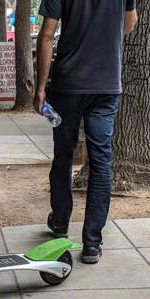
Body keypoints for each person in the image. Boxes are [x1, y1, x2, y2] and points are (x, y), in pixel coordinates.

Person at [34, 0, 138, 264]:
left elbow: (46, 35)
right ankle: (92, 243)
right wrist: (104, 39)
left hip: (65, 88)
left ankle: (60, 221)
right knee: (101, 161)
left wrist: (40, 88)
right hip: (106, 87)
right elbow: (130, 22)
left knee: (63, 155)